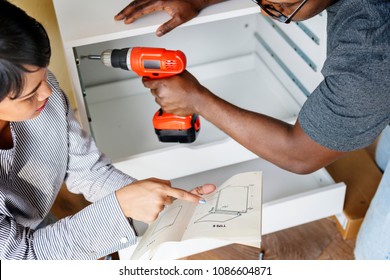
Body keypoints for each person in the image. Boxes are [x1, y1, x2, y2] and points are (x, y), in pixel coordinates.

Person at [115, 0, 390, 259]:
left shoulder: (371, 56)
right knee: (382, 157)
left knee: (374, 254)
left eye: (280, 8)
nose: (265, 13)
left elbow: (300, 154)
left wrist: (197, 99)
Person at [0, 0, 215, 260]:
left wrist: (161, 202)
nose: (48, 91)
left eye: (45, 76)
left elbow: (88, 170)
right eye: (28, 94)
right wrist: (119, 207)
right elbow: (20, 258)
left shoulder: (46, 95)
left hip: (31, 230)